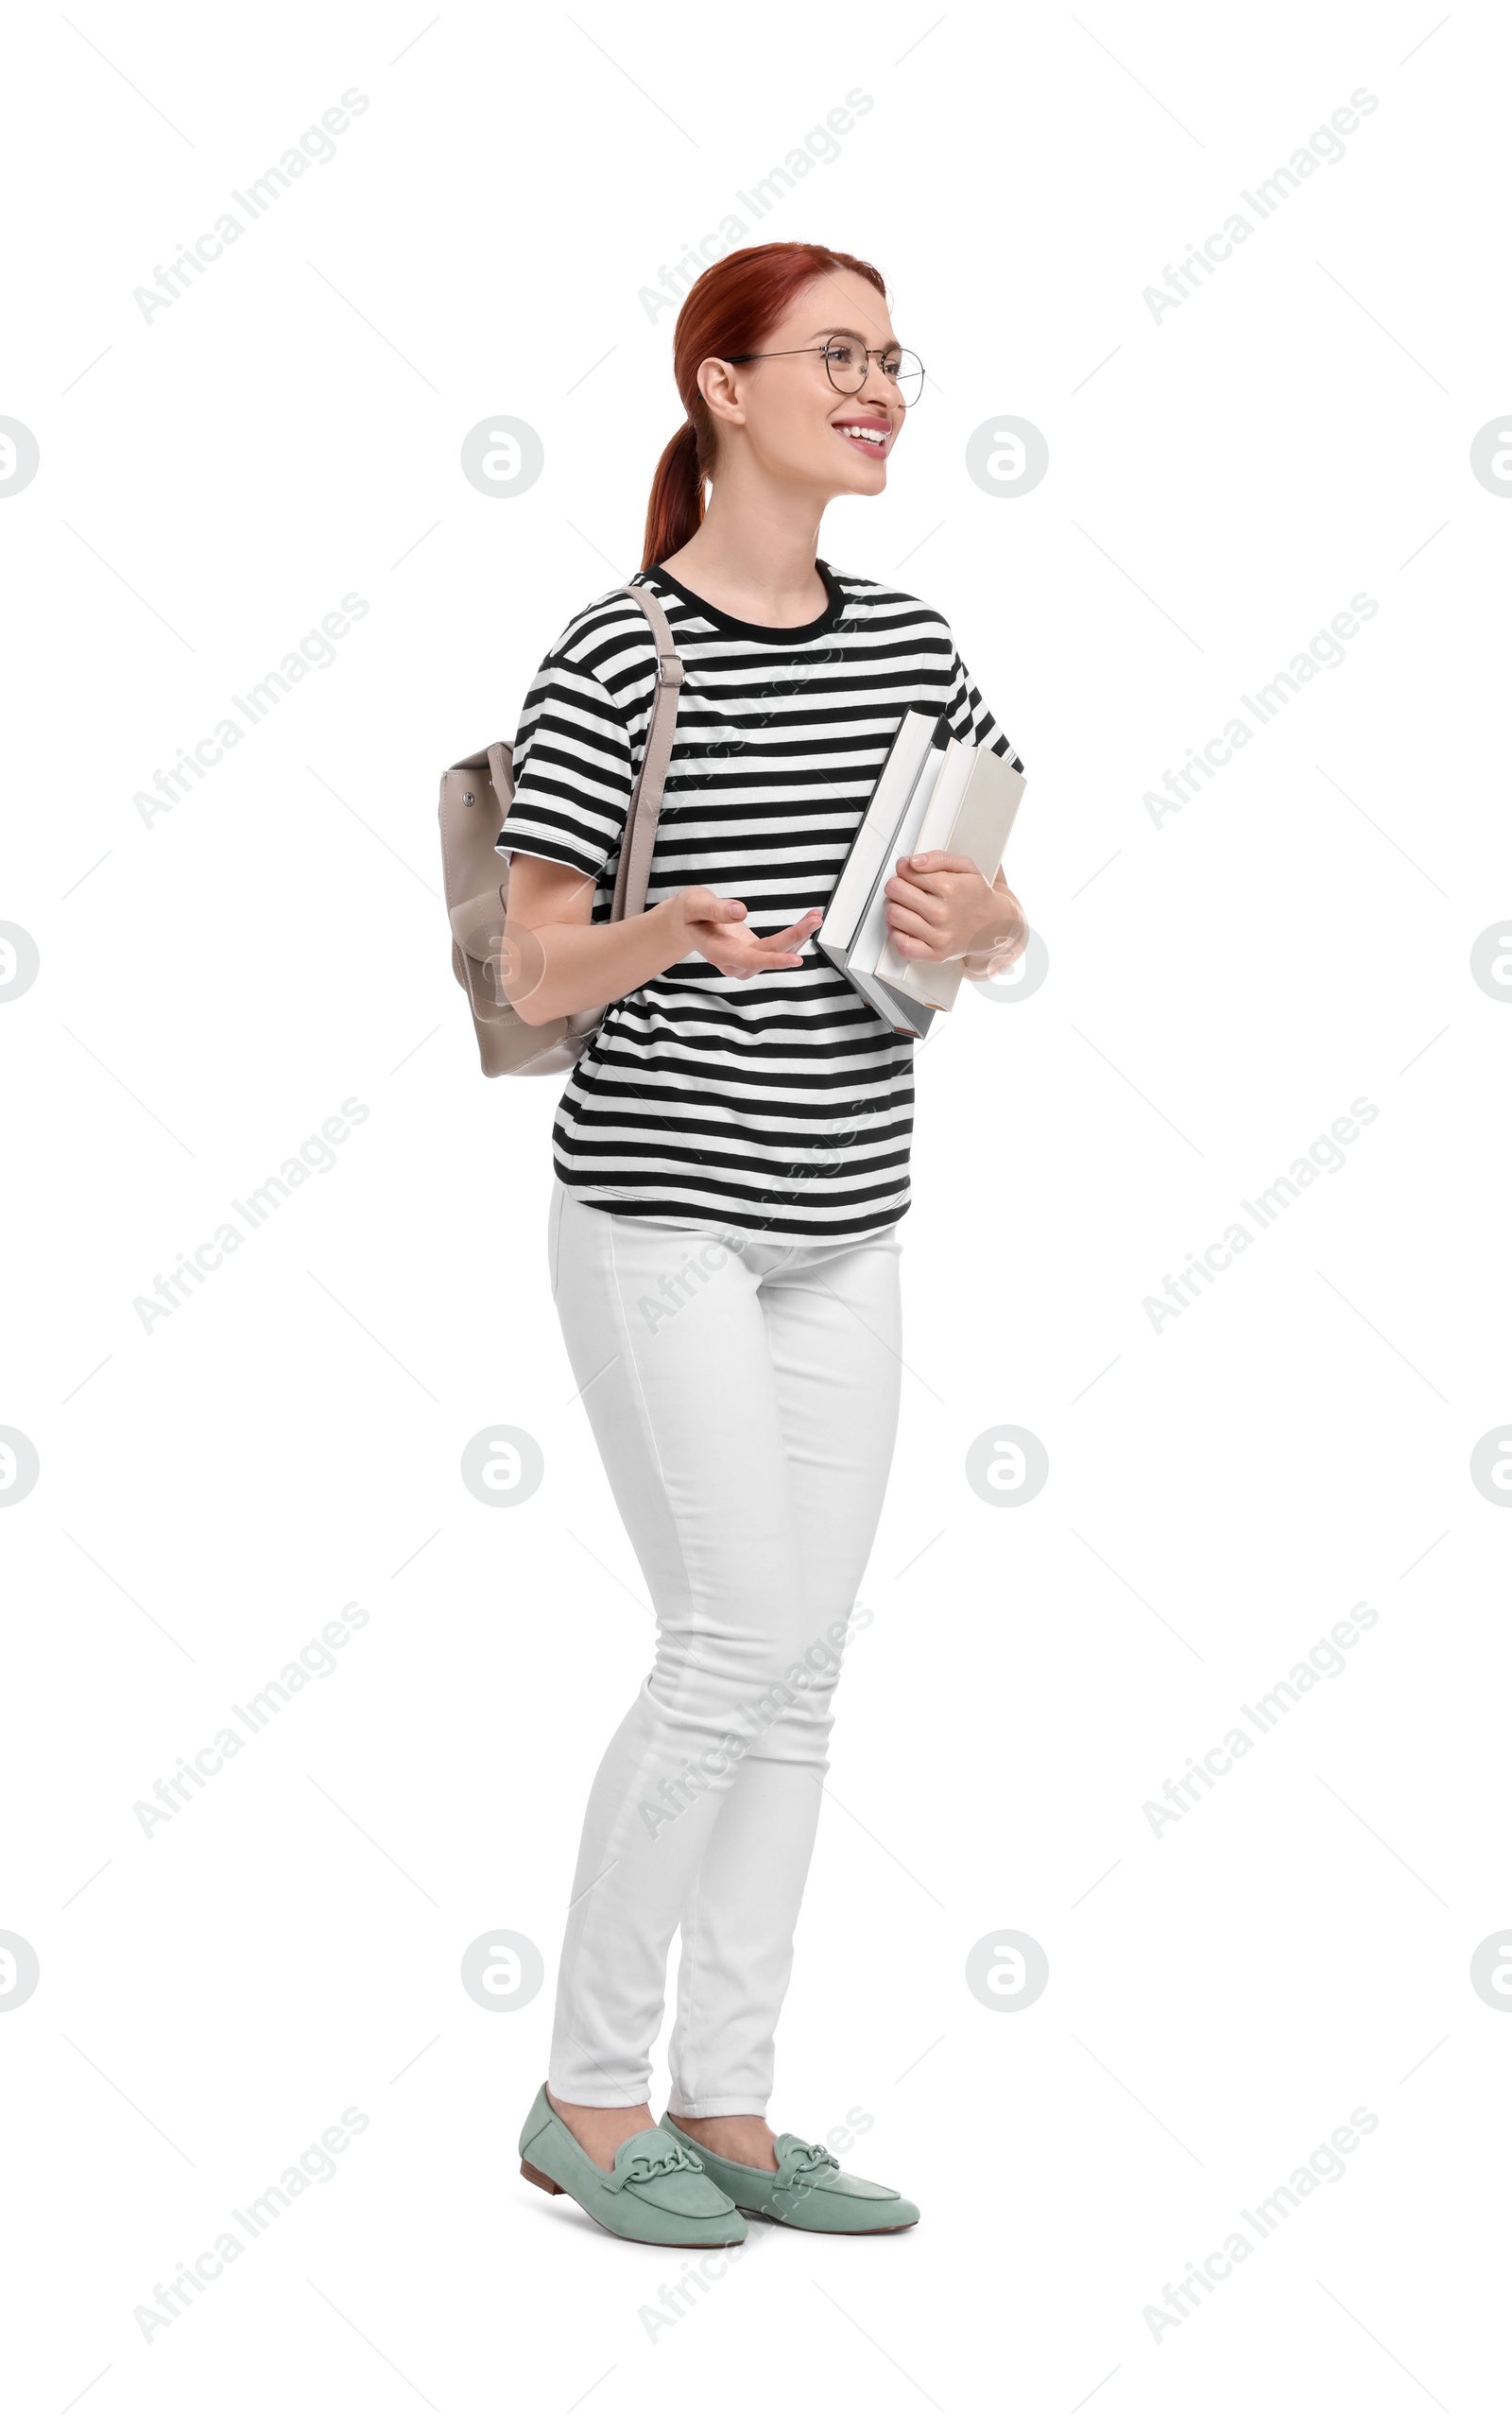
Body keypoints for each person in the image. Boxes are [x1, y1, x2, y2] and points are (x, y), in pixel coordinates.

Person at [499, 240, 1028, 2247]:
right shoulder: (617, 654)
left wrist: (977, 931)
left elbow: (987, 922)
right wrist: (671, 930)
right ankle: (581, 2091)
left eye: (893, 358)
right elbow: (534, 961)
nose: (881, 385)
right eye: (838, 355)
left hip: (847, 1215)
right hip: (660, 1220)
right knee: (724, 1646)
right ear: (721, 387)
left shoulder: (915, 644)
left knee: (801, 1674)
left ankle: (726, 2108)